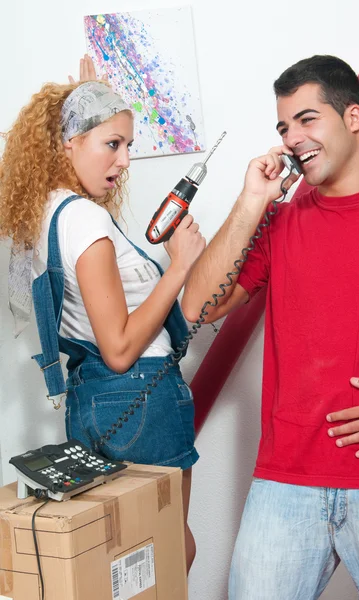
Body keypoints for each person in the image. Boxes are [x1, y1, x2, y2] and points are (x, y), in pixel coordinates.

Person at [182, 55, 359, 599]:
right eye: (283, 126)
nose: (292, 137)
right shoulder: (279, 223)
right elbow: (199, 306)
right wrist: (252, 200)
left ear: (352, 117)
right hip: (286, 481)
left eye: (307, 119)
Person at [0, 56, 205, 572]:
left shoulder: (47, 213)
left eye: (129, 145)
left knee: (125, 556)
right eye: (112, 144)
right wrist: (180, 266)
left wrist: (92, 92)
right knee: (168, 548)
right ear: (68, 143)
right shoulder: (86, 219)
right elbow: (117, 348)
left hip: (92, 402)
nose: (124, 160)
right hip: (140, 396)